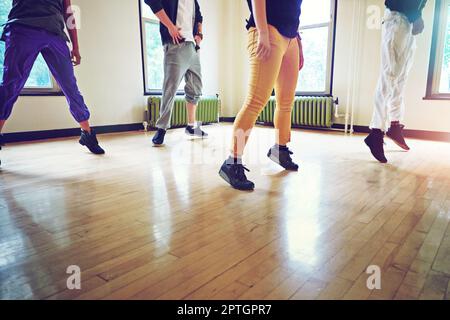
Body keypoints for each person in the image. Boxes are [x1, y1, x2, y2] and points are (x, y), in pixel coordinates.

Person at [0, 0, 105, 166]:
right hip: (22, 29)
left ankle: (87, 134)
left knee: (70, 87)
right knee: (10, 86)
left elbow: (69, 11)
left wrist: (76, 47)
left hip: (55, 35)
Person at [219, 0, 304, 191]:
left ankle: (280, 150)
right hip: (268, 28)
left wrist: (298, 40)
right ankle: (232, 162)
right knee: (256, 101)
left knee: (286, 102)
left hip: (291, 37)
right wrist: (262, 31)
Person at [365, 0, 428, 163]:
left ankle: (394, 125)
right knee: (389, 77)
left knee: (401, 79)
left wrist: (416, 16)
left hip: (408, 22)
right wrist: (416, 16)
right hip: (397, 19)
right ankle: (376, 132)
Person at [145, 0, 208, 146]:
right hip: (175, 44)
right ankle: (161, 129)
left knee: (196, 88)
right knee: (170, 88)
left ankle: (191, 127)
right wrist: (170, 26)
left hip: (193, 47)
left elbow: (199, 16)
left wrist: (199, 34)